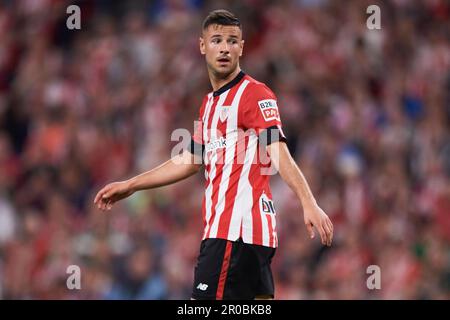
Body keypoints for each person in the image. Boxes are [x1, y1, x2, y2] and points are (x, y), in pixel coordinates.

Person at [94, 9, 333, 300]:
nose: (224, 48)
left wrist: (308, 202)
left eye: (232, 41)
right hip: (248, 237)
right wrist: (130, 185)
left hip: (233, 234)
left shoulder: (254, 94)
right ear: (202, 46)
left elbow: (278, 150)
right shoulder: (208, 105)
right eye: (217, 40)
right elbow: (190, 160)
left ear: (242, 48)